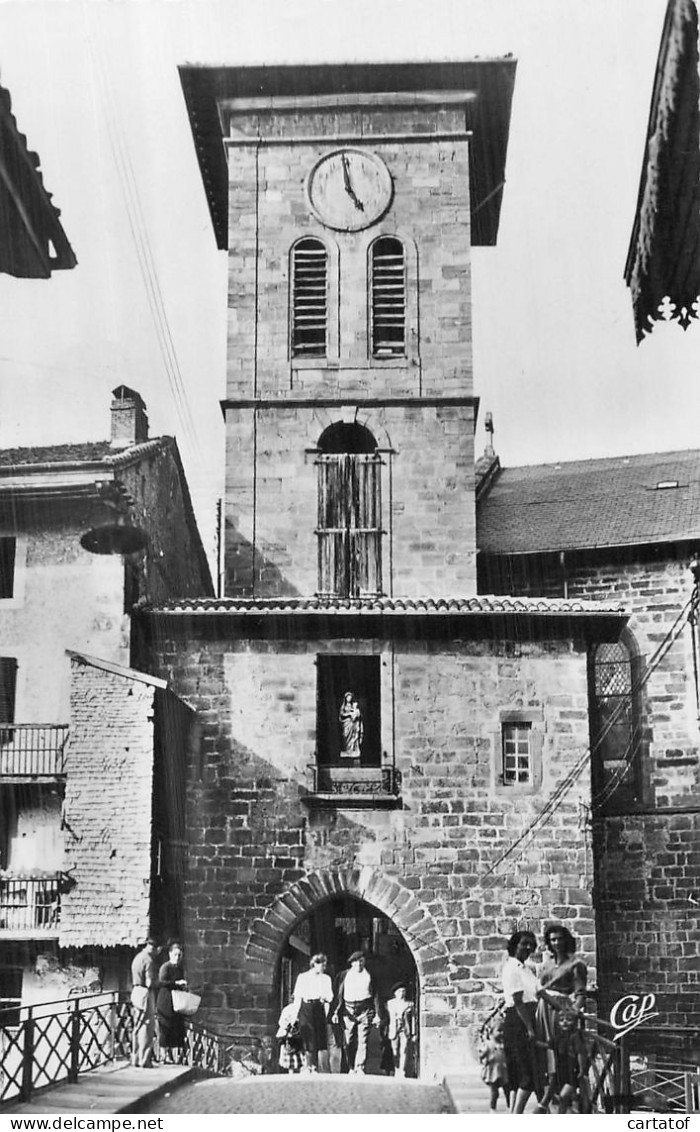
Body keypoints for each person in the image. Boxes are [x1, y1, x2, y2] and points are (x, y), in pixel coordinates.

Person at [536, 924, 588, 1113]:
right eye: (553, 940)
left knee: (562, 1054)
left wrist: (572, 1013)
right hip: (543, 1009)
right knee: (546, 1052)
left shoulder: (575, 964)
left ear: (567, 940)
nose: (557, 943)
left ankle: (564, 1097)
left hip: (560, 1011)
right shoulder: (547, 964)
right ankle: (551, 1096)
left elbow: (581, 994)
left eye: (560, 938)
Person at [502, 929, 541, 1114]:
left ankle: (514, 1113)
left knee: (523, 1071)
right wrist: (530, 1029)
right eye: (524, 944)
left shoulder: (525, 968)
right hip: (519, 1021)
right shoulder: (511, 967)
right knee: (527, 1072)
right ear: (514, 945)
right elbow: (518, 1001)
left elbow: (539, 993)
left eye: (531, 945)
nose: (527, 948)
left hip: (527, 1018)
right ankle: (516, 1115)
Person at [331, 951, 380, 1075]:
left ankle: (360, 1067)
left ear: (364, 962)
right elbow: (337, 995)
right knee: (349, 1040)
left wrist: (377, 1014)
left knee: (363, 1040)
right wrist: (335, 1012)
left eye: (361, 961)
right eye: (356, 961)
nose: (359, 964)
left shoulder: (370, 976)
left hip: (365, 1009)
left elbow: (376, 995)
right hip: (348, 1010)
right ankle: (351, 1066)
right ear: (351, 963)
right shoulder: (343, 976)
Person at [292, 953, 334, 1073]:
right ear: (314, 964)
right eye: (322, 965)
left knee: (320, 1039)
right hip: (306, 1008)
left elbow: (330, 996)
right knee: (308, 1037)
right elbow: (298, 996)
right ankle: (308, 1066)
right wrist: (295, 1015)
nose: (324, 967)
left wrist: (324, 998)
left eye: (325, 965)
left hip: (319, 1008)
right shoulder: (303, 977)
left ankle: (316, 1067)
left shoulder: (326, 979)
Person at [156, 940, 188, 1064]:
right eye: (175, 954)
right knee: (165, 1028)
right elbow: (161, 982)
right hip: (165, 1001)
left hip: (176, 1002)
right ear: (170, 954)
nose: (177, 957)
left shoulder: (179, 968)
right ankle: (164, 1055)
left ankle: (173, 1055)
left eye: (179, 955)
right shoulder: (166, 967)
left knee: (175, 1028)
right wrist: (176, 983)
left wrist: (183, 986)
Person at [130, 936, 159, 1067]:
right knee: (147, 1026)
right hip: (145, 993)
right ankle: (144, 1060)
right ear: (154, 948)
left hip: (135, 991)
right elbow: (149, 982)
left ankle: (135, 1058)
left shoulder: (138, 958)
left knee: (137, 1026)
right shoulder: (148, 960)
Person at [479, 1015, 510, 1112]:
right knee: (494, 1092)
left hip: (504, 1071)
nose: (501, 1033)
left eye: (503, 1031)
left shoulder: (504, 1044)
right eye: (499, 1030)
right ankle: (493, 1108)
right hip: (493, 1072)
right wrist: (483, 1059)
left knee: (507, 1090)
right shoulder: (489, 1045)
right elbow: (482, 1055)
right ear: (492, 1032)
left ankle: (510, 1107)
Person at [386, 982, 414, 1077]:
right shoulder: (391, 1003)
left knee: (404, 1049)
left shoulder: (410, 1004)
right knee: (395, 1050)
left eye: (403, 991)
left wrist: (413, 1032)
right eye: (399, 991)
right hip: (394, 1029)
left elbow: (413, 1019)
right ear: (395, 993)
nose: (401, 993)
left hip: (405, 1029)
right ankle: (396, 1067)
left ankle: (402, 1069)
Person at [276, 1000, 303, 1074]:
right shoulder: (290, 1009)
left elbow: (281, 1022)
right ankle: (293, 1072)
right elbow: (282, 1022)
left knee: (295, 1058)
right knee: (292, 1056)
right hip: (289, 1036)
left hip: (294, 1036)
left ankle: (293, 1072)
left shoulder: (289, 1009)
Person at [339, 692, 363, 759]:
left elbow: (358, 714)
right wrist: (349, 714)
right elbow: (341, 714)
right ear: (345, 698)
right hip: (346, 723)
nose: (349, 698)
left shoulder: (353, 706)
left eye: (350, 697)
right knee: (345, 735)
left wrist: (357, 714)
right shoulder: (344, 706)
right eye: (348, 697)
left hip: (353, 723)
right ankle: (346, 749)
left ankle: (353, 749)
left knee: (353, 736)